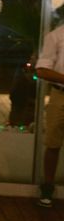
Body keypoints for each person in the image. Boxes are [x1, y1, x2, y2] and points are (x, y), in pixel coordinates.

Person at [35, 26, 64, 207]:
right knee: (53, 142)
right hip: (60, 94)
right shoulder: (56, 36)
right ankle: (48, 187)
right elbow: (42, 70)